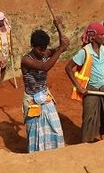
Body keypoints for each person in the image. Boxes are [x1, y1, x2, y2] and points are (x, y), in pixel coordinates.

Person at [20, 17, 69, 153]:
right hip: (32, 101)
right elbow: (45, 67)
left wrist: (58, 27)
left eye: (44, 49)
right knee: (35, 134)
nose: (43, 52)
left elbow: (63, 46)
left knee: (55, 130)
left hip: (45, 97)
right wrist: (60, 50)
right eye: (40, 49)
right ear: (32, 46)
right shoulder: (26, 60)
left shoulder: (45, 53)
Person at [65, 22, 104, 143]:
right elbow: (68, 68)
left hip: (102, 87)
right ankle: (85, 142)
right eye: (101, 35)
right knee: (89, 116)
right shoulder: (84, 52)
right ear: (94, 37)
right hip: (90, 89)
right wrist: (79, 88)